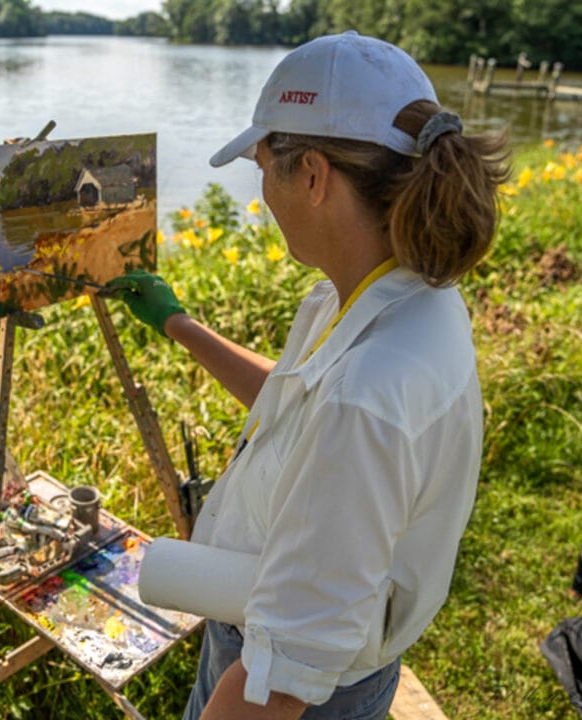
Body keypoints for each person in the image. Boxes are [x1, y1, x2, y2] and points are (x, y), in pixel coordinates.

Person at [107, 31, 509, 720]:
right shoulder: (395, 295)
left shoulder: (367, 395)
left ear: (315, 176)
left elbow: (285, 673)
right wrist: (179, 324)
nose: (262, 192)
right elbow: (300, 409)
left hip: (300, 691)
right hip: (333, 656)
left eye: (264, 165)